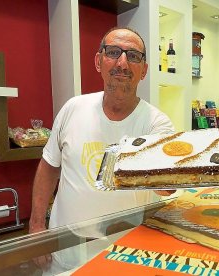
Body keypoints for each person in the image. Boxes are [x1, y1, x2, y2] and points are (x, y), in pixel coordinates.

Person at [28, 27, 174, 271]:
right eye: (113, 52)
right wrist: (36, 225)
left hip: (125, 254)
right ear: (98, 61)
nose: (123, 63)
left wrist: (172, 180)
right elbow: (49, 167)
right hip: (65, 249)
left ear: (144, 70)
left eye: (134, 56)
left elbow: (164, 187)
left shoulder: (156, 124)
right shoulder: (73, 108)